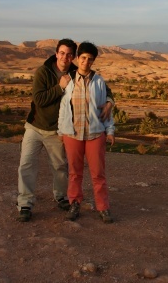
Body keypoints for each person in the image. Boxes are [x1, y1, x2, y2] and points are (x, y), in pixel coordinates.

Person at [17, 39, 113, 222]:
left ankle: (62, 197)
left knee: (61, 167)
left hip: (57, 130)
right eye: (62, 53)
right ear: (56, 53)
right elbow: (39, 100)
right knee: (27, 165)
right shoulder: (44, 72)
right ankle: (25, 204)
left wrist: (110, 101)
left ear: (73, 57)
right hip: (36, 126)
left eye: (69, 54)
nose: (65, 57)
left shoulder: (75, 73)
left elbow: (105, 90)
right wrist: (59, 87)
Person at [58, 41, 116, 224]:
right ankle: (74, 203)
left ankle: (103, 207)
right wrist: (61, 131)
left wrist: (110, 130)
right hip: (72, 133)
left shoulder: (99, 82)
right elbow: (62, 108)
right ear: (77, 58)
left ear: (93, 61)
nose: (86, 62)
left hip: (95, 134)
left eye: (90, 59)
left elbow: (105, 109)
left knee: (98, 173)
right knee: (75, 172)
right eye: (83, 58)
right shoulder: (67, 80)